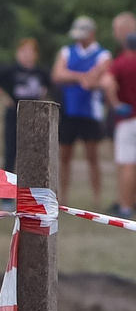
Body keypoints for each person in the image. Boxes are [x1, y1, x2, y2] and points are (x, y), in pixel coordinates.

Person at [52, 16, 112, 207]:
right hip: (69, 110)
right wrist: (82, 77)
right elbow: (57, 75)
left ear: (92, 34)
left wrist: (72, 76)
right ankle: (62, 196)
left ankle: (96, 197)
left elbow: (99, 77)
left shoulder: (103, 54)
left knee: (92, 156)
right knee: (64, 156)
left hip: (91, 113)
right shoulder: (67, 51)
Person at [0, 36, 48, 171]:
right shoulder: (11, 70)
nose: (26, 55)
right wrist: (2, 96)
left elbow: (50, 84)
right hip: (14, 115)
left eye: (30, 51)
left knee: (32, 155)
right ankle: (8, 188)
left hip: (34, 117)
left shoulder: (40, 72)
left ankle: (28, 189)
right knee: (11, 153)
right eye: (23, 51)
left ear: (35, 54)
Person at [106, 14, 136, 218]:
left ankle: (125, 206)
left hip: (128, 118)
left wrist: (116, 104)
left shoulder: (121, 63)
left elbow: (107, 83)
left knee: (127, 163)